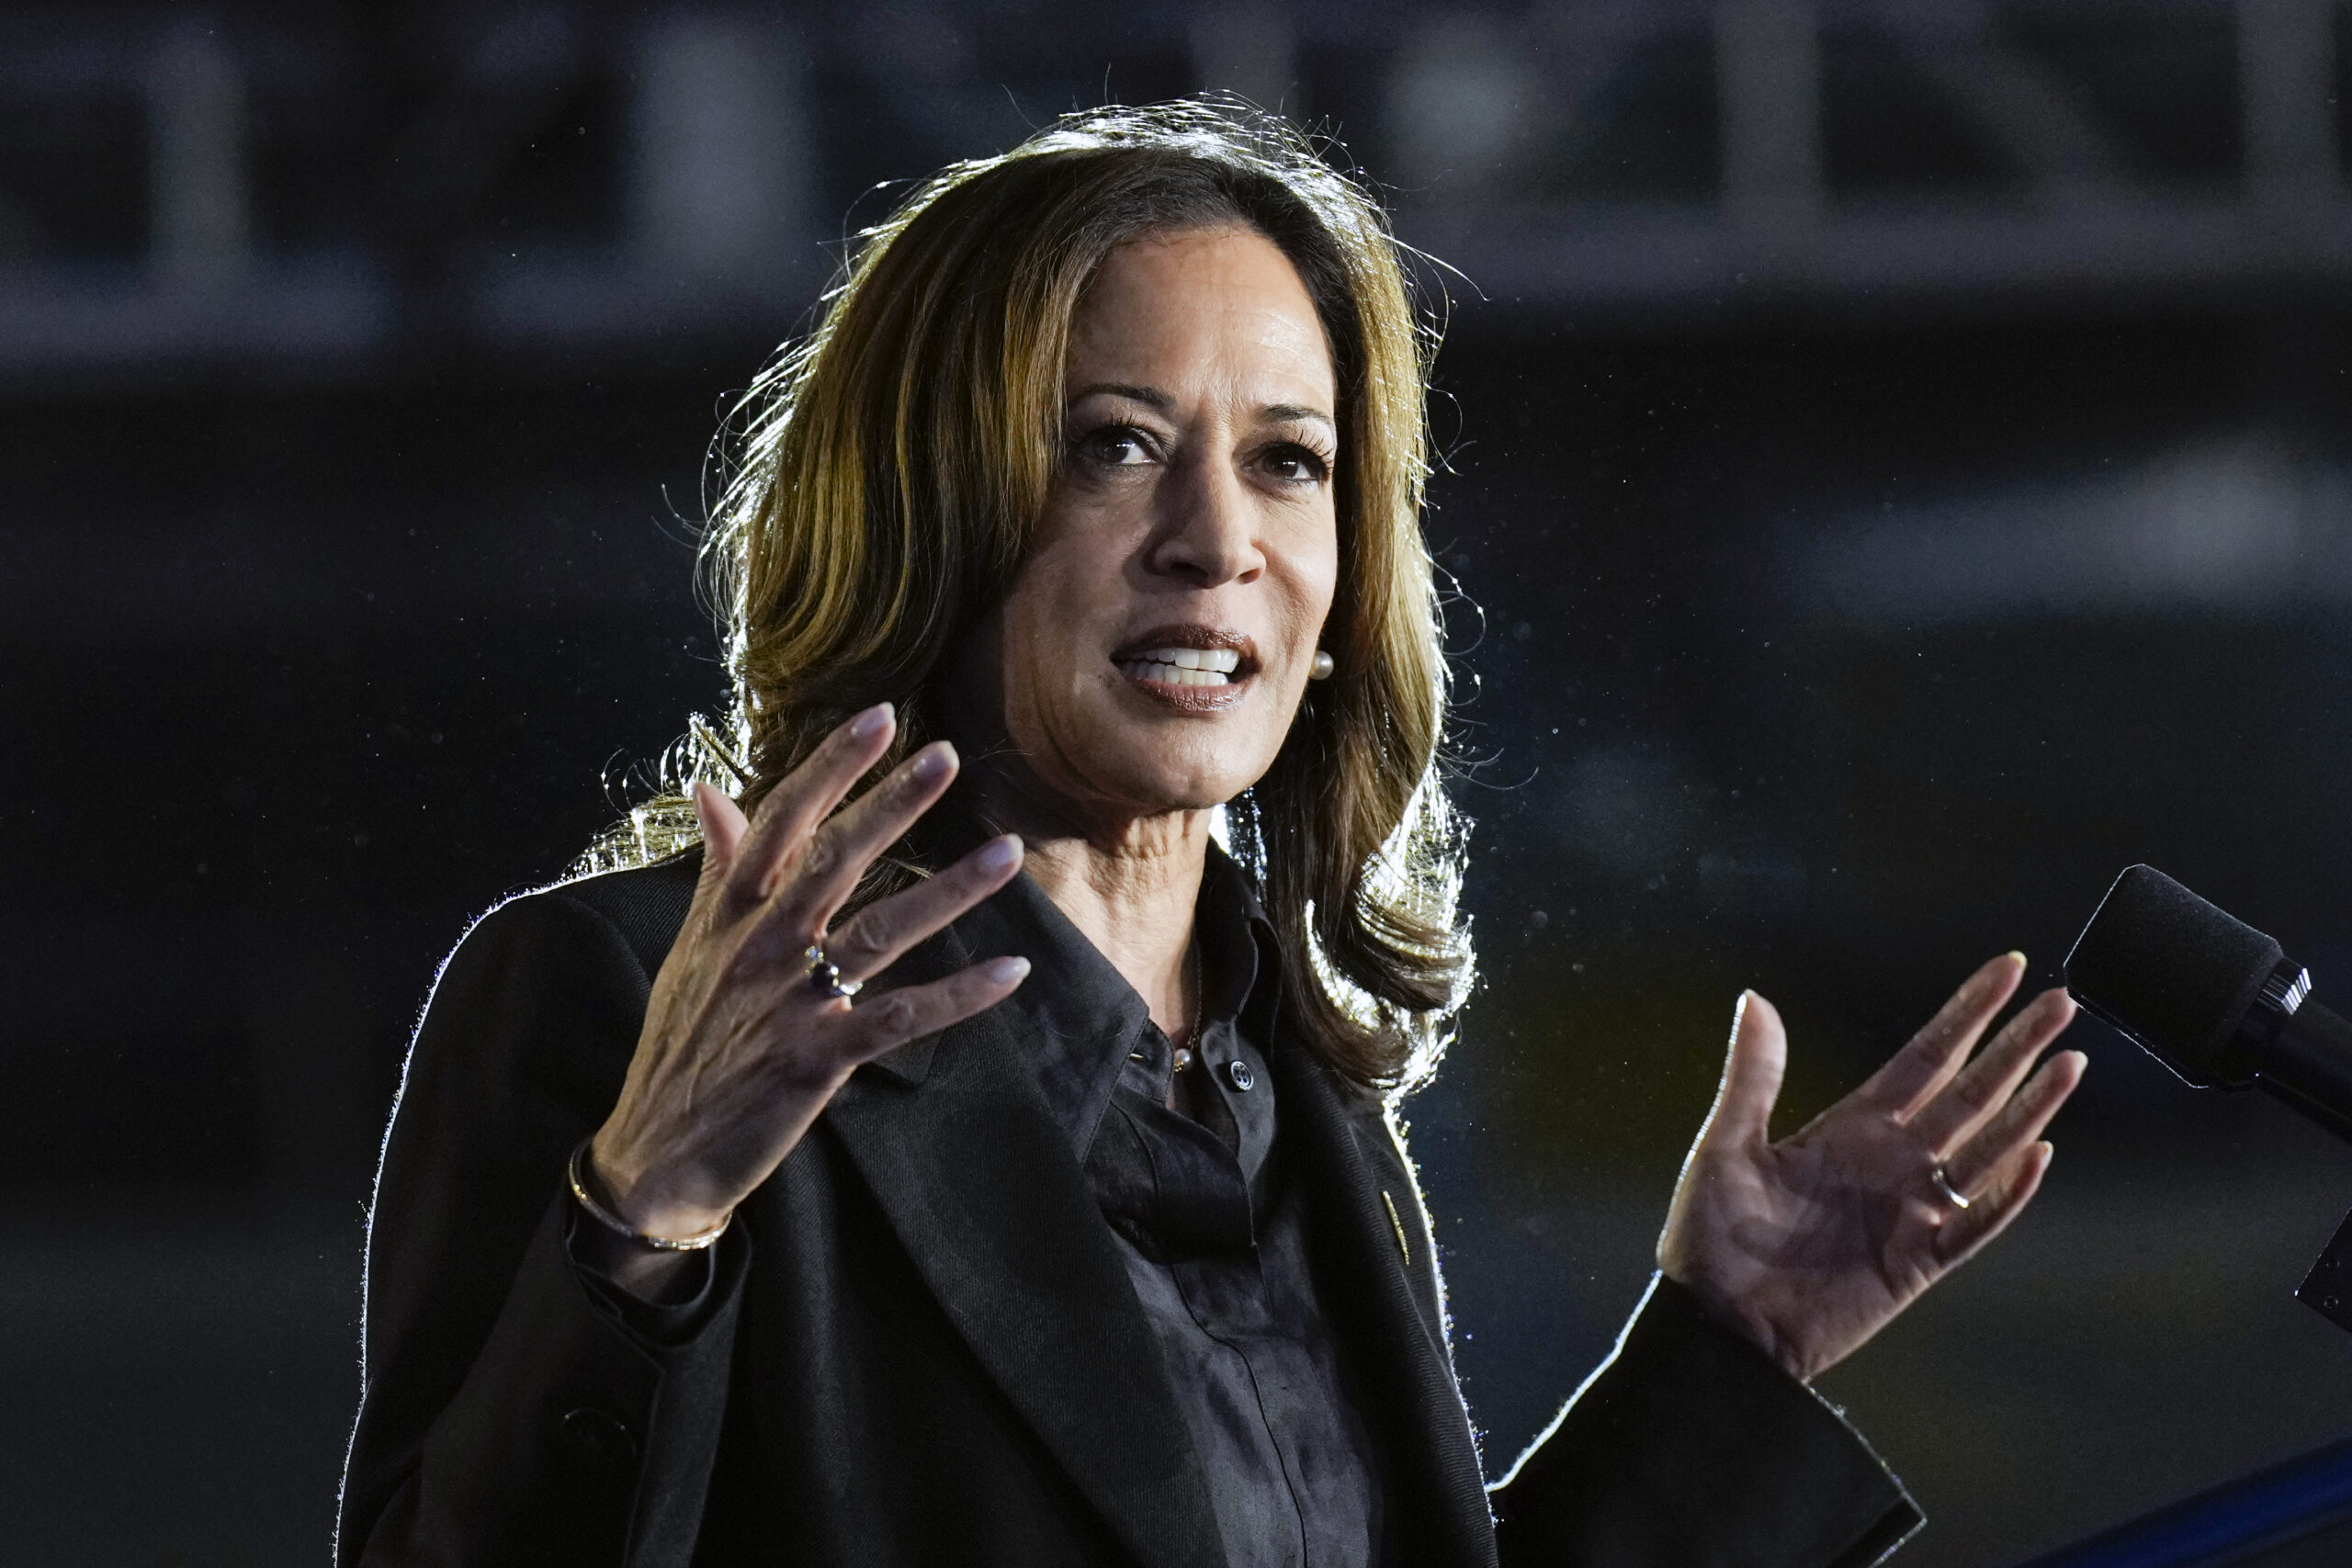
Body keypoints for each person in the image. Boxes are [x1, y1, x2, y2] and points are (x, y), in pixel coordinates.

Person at [336, 101, 2085, 1567]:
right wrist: (645, 1212)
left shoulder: (1299, 1090)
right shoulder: (619, 998)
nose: (1214, 537)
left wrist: (1729, 1351)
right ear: (929, 505)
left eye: (1291, 461)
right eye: (1113, 447)